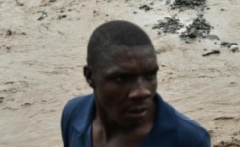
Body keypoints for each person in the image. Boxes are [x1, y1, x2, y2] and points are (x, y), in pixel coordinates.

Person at [61, 20, 211, 147]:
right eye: (121, 78)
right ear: (90, 76)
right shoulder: (74, 114)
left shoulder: (187, 139)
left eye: (150, 75)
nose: (142, 92)